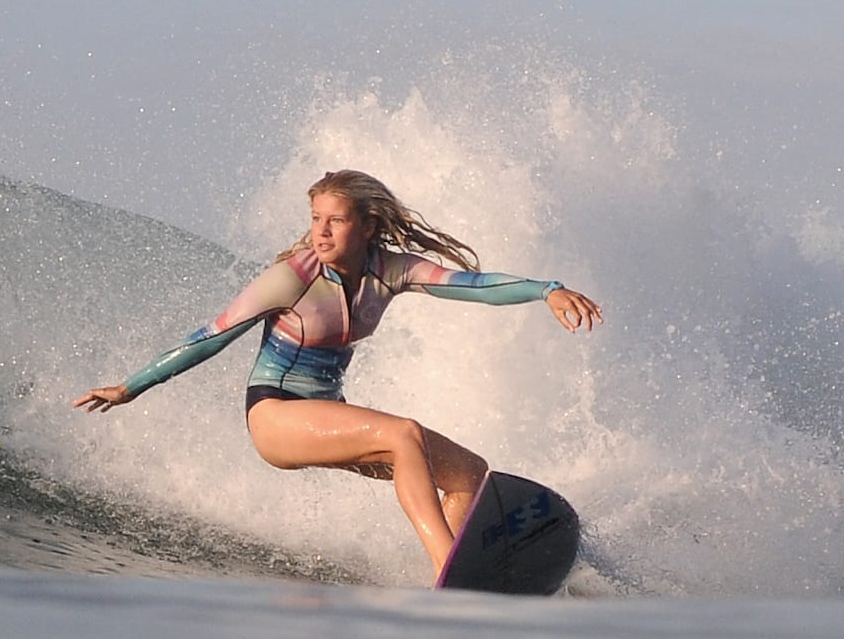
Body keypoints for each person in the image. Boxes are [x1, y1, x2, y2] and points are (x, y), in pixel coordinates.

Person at [78, 169, 600, 573]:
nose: (321, 232)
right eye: (314, 218)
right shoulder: (292, 278)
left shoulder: (388, 270)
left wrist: (545, 289)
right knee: (403, 435)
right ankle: (448, 567)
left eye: (336, 220)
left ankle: (462, 574)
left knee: (468, 473)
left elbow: (473, 283)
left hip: (329, 415)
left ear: (367, 225)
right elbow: (210, 337)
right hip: (276, 416)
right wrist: (131, 387)